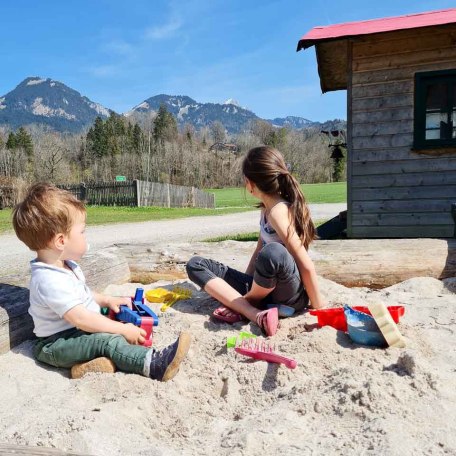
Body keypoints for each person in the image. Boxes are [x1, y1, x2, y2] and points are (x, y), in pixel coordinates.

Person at [12, 183, 190, 381]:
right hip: (56, 344)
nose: (85, 236)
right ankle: (154, 364)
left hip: (75, 335)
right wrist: (123, 329)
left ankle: (86, 367)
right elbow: (81, 319)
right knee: (109, 341)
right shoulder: (48, 280)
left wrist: (106, 300)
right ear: (61, 241)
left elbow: (82, 293)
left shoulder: (64, 265)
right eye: (82, 232)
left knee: (110, 329)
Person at [186, 146, 326, 336]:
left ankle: (246, 305)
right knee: (196, 264)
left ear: (250, 183)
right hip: (264, 288)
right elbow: (257, 252)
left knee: (272, 253)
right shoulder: (266, 209)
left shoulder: (279, 212)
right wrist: (246, 282)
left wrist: (320, 309)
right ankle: (252, 311)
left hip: (289, 294)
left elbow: (306, 266)